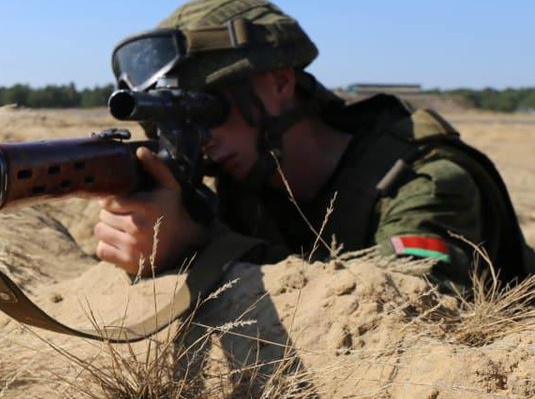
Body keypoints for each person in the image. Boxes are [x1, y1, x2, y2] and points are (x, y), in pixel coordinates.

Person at [94, 0, 534, 291]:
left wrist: (200, 245)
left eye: (208, 109)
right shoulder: (244, 183)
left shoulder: (423, 182)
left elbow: (411, 309)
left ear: (280, 82)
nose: (204, 139)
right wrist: (154, 245)